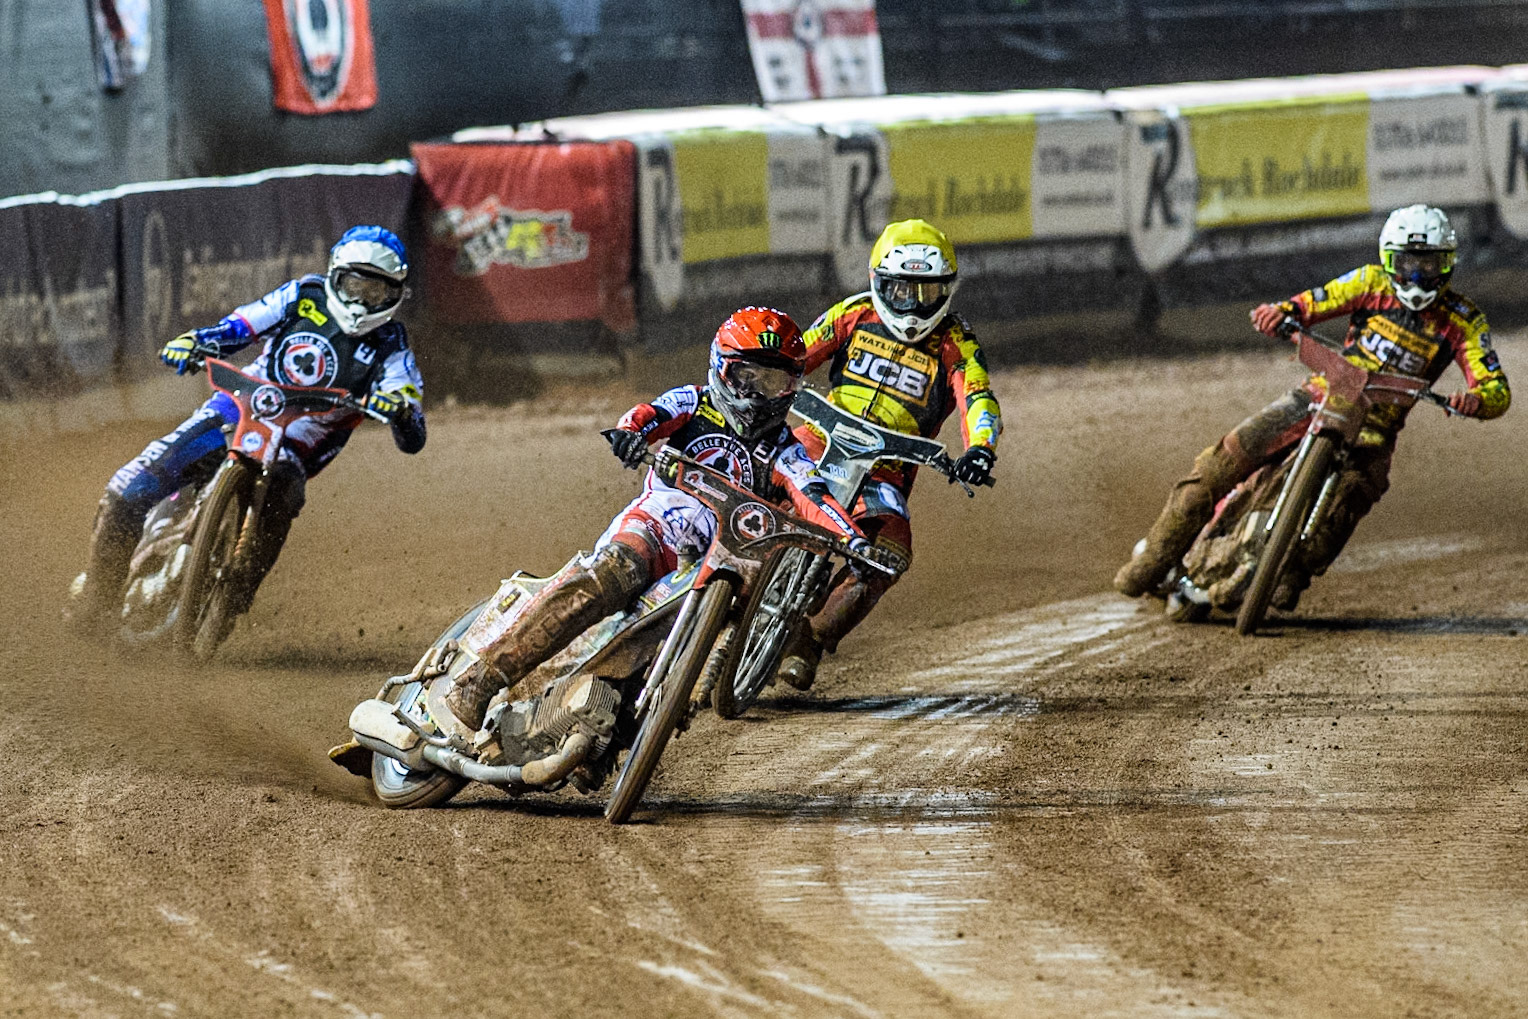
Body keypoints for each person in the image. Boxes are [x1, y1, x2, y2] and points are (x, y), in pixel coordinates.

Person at [443, 307, 867, 732]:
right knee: (609, 575)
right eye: (747, 377)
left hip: (712, 563)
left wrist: (853, 541)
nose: (758, 395)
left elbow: (815, 496)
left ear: (791, 387)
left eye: (774, 382)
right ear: (722, 369)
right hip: (658, 526)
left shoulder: (786, 449)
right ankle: (479, 681)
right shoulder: (695, 401)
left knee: (694, 634)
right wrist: (630, 435)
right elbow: (651, 415)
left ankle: (607, 728)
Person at [1114, 204, 1510, 610]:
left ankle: (1289, 574)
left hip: (1376, 429)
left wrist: (1477, 399)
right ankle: (1154, 557)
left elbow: (1496, 385)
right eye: (1407, 263)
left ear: (1447, 265)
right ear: (1388, 259)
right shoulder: (1368, 282)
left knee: (1351, 500)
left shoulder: (1465, 321)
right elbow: (1311, 303)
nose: (1416, 276)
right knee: (1221, 461)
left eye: (1428, 266)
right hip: (1318, 397)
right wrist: (1279, 314)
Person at [66, 225, 426, 627]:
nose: (361, 301)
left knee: (285, 491)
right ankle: (97, 603)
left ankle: (233, 597)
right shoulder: (301, 296)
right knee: (126, 490)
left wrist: (400, 410)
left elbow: (410, 415)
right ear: (334, 276)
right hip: (242, 406)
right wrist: (200, 341)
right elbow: (243, 325)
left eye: (374, 292)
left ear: (394, 294)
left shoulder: (392, 344)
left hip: (297, 441)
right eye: (355, 285)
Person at [772, 218, 1003, 691]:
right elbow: (797, 356)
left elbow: (978, 397)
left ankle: (812, 639)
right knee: (748, 477)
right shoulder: (854, 314)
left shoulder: (956, 342)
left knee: (891, 552)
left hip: (886, 471)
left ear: (947, 292)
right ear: (878, 282)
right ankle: (692, 568)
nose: (913, 306)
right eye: (900, 290)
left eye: (926, 293)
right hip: (818, 437)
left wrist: (981, 448)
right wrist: (765, 381)